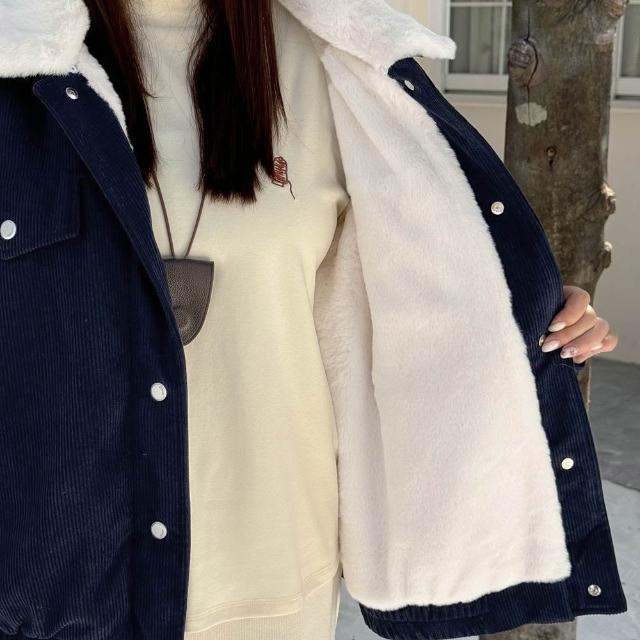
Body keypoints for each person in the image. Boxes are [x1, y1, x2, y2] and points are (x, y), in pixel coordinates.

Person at [0, 1, 626, 639]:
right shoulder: (18, 54)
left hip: (276, 580)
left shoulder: (336, 58)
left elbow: (404, 290)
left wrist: (516, 308)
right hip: (56, 592)